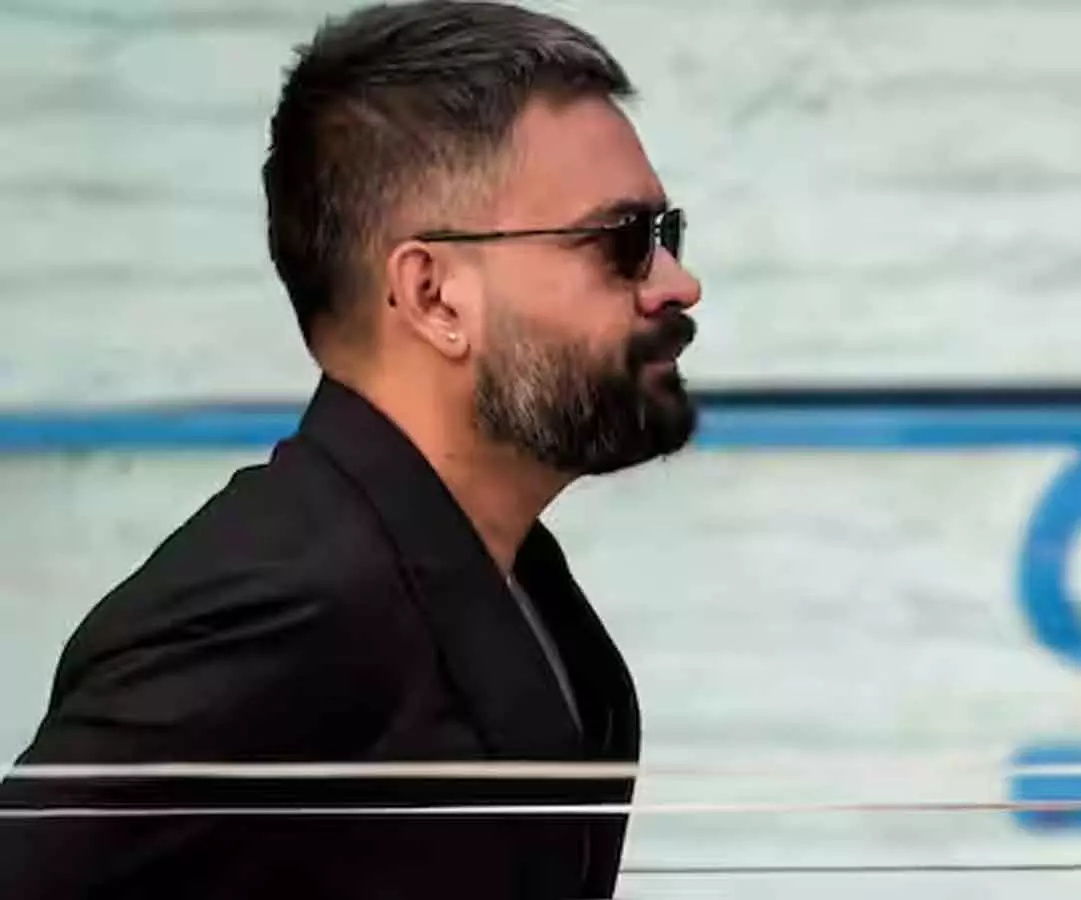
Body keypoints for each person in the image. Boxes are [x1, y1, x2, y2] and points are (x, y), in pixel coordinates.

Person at [0, 1, 702, 897]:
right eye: (624, 242)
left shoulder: (523, 586)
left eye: (666, 237)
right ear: (433, 295)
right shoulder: (282, 603)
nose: (678, 283)